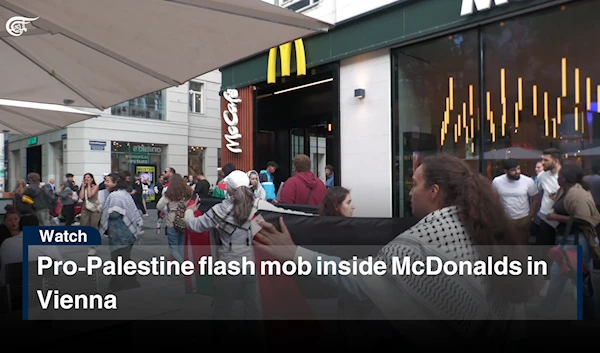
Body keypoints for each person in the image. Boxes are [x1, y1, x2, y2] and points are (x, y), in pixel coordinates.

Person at [255, 155, 533, 335]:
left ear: (434, 192)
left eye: (416, 184)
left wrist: (294, 253)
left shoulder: (429, 238)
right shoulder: (477, 225)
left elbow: (360, 281)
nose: (411, 191)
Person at [184, 170, 262, 320]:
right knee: (253, 309)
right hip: (251, 264)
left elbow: (194, 225)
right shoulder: (259, 207)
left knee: (223, 310)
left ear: (229, 189)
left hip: (228, 266)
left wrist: (189, 211)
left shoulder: (219, 210)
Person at [544, 163, 600, 318]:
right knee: (558, 275)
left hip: (576, 240)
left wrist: (556, 217)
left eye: (560, 176)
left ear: (565, 178)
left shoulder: (578, 194)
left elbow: (585, 220)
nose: (558, 178)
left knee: (580, 279)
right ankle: (549, 309)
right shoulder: (566, 190)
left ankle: (590, 314)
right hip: (566, 239)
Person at [99, 172, 144, 292]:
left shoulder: (116, 196)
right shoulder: (123, 193)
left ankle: (117, 285)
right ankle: (131, 282)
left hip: (120, 233)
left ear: (115, 183)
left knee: (118, 260)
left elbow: (114, 213)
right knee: (124, 259)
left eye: (108, 181)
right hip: (126, 232)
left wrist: (102, 210)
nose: (105, 183)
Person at [157, 173, 193, 263]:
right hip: (184, 219)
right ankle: (179, 267)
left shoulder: (169, 193)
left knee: (173, 247)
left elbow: (159, 206)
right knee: (181, 246)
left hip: (172, 220)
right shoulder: (188, 192)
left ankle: (182, 264)